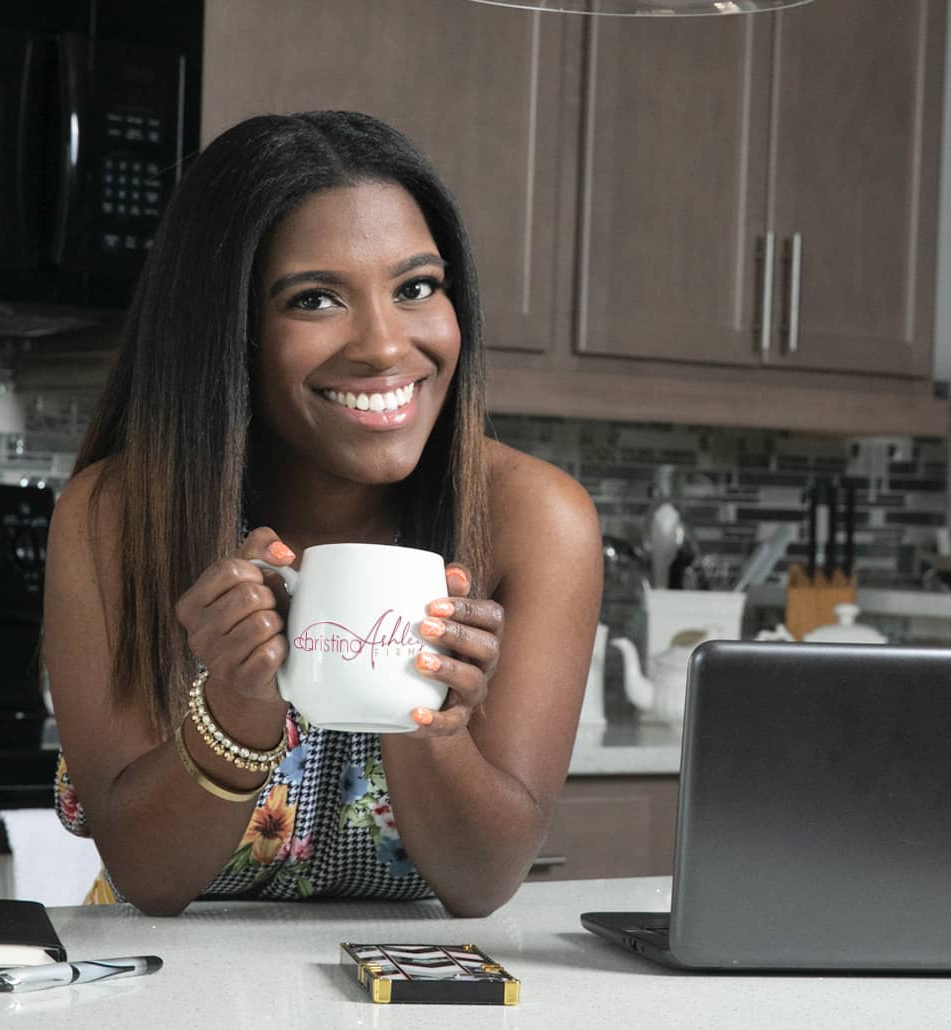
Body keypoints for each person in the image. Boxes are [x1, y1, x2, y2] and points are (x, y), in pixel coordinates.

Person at [43, 110, 602, 917]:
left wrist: (423, 716)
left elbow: (480, 883)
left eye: (416, 288)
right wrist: (239, 698)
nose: (383, 345)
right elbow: (150, 878)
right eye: (314, 300)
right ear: (227, 333)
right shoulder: (118, 516)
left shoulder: (536, 520)